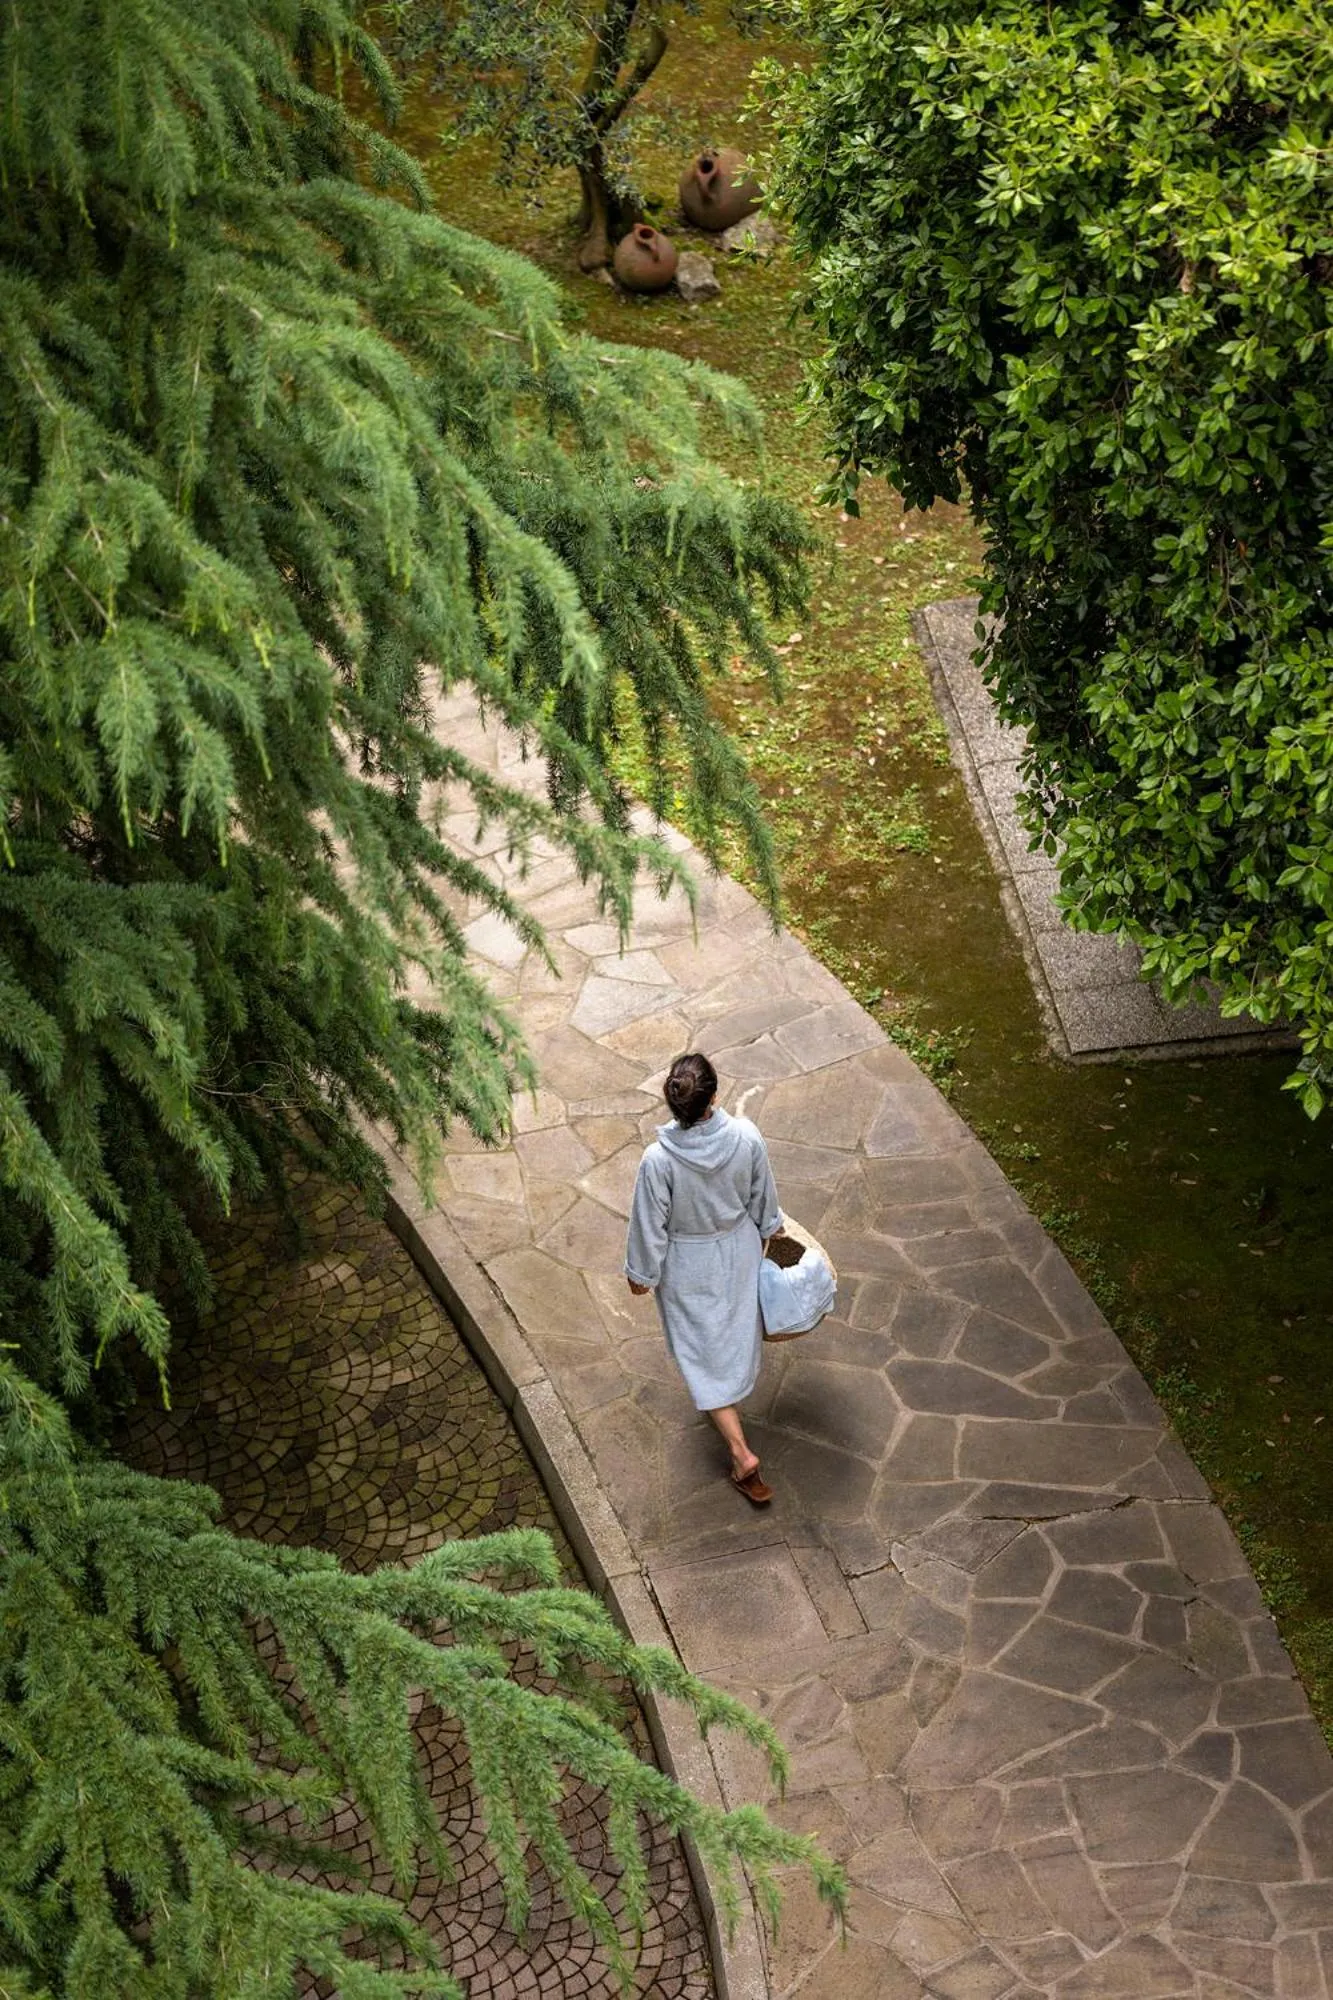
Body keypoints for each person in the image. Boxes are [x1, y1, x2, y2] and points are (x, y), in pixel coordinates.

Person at [624, 1052, 784, 1505]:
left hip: (687, 1263)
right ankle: (735, 1421)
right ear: (714, 1095)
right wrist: (770, 1231)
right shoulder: (747, 1137)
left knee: (698, 1352)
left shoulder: (658, 1161)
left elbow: (648, 1223)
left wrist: (642, 1273)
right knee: (731, 1334)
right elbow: (763, 1199)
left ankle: (740, 1452)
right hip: (737, 1250)